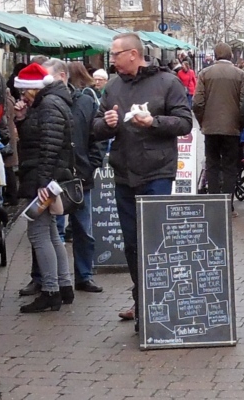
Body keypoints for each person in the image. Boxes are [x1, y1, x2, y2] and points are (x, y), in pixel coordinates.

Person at [92, 33, 193, 331]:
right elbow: (95, 127)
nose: (111, 60)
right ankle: (141, 298)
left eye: (115, 54)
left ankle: (160, 300)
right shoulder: (112, 86)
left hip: (157, 172)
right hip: (124, 174)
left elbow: (185, 122)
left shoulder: (167, 82)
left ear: (133, 54)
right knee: (132, 242)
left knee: (156, 240)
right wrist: (106, 124)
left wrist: (154, 122)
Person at [14, 62, 76, 313]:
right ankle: (64, 285)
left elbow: (48, 145)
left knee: (39, 234)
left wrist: (42, 184)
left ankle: (50, 291)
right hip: (49, 176)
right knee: (51, 232)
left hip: (43, 177)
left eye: (23, 92)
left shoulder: (48, 105)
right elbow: (41, 138)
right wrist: (22, 118)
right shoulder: (53, 102)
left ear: (33, 88)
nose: (21, 97)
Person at [66, 60, 105, 293]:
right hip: (58, 175)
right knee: (55, 230)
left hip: (81, 173)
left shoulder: (86, 101)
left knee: (83, 228)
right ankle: (48, 278)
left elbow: (97, 135)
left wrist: (93, 164)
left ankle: (84, 275)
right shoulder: (49, 102)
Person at [193, 43, 244, 196]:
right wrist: (240, 123)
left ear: (215, 55)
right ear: (231, 55)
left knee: (212, 164)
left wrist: (203, 121)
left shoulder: (204, 74)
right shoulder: (241, 75)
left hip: (210, 127)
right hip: (232, 127)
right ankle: (227, 203)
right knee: (230, 166)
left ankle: (214, 201)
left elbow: (197, 102)